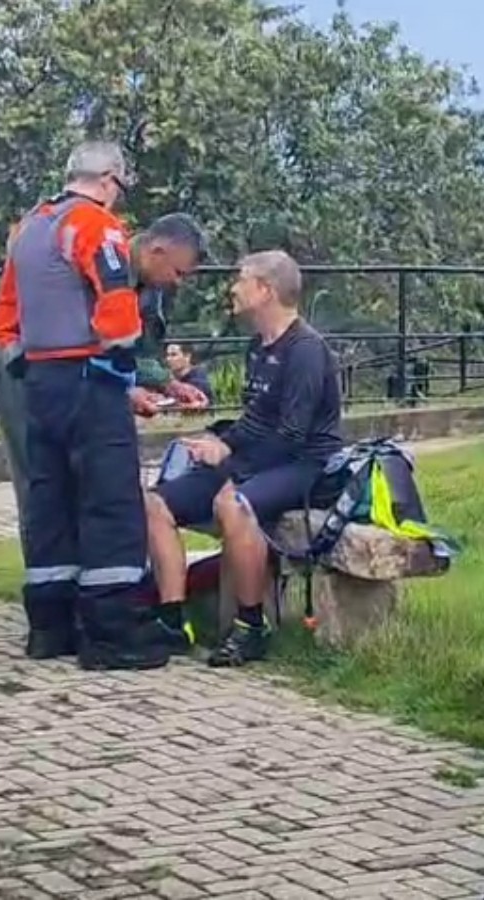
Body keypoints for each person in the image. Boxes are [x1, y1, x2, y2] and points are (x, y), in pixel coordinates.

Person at [3, 140, 209, 670]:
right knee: (111, 504)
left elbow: (4, 314)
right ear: (109, 179)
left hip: (40, 384)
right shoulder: (97, 227)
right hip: (88, 385)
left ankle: (50, 626)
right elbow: (117, 310)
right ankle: (110, 635)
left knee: (51, 500)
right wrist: (119, 378)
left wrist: (27, 367)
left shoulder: (30, 228)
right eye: (119, 187)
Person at [0, 208, 210, 591]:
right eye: (179, 273)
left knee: (93, 478)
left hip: (84, 375)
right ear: (157, 250)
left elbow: (134, 347)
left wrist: (167, 384)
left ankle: (90, 587)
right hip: (31, 367)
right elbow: (83, 341)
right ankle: (57, 590)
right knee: (42, 480)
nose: (179, 283)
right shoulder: (104, 262)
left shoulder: (148, 290)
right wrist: (124, 390)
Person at [144, 250, 343, 665]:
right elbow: (255, 418)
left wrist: (230, 457)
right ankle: (171, 621)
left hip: (303, 465)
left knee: (232, 504)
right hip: (255, 459)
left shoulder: (306, 350)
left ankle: (251, 627)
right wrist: (221, 443)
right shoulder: (258, 345)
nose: (232, 286)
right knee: (154, 503)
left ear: (266, 290)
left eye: (241, 278)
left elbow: (292, 434)